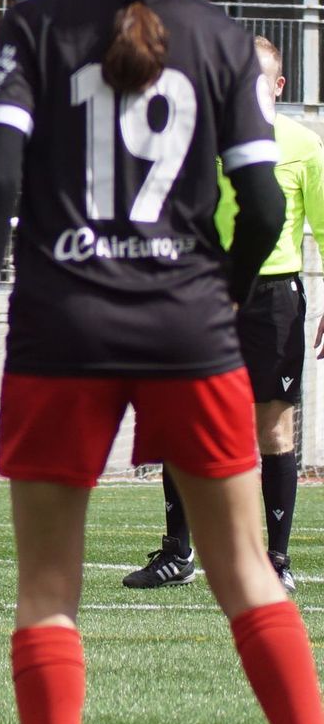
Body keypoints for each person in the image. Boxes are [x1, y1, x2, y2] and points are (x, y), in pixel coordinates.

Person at [0, 0, 324, 724]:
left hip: (60, 324)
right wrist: (224, 302)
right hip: (188, 326)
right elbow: (267, 201)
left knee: (47, 592)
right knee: (248, 573)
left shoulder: (34, 23)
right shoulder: (224, 39)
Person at [122, 36, 322, 595]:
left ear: (278, 87)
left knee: (273, 430)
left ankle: (276, 560)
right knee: (181, 420)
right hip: (202, 294)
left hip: (274, 298)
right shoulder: (197, 141)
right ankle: (176, 553)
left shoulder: (304, 145)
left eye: (257, 81)